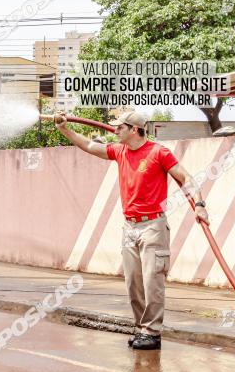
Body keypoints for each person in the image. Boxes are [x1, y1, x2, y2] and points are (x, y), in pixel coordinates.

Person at [54, 110, 209, 350]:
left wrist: (199, 205)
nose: (115, 130)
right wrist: (65, 129)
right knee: (133, 284)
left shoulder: (159, 153)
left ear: (134, 130)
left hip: (153, 226)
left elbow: (186, 178)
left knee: (152, 282)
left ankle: (152, 331)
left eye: (119, 127)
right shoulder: (120, 151)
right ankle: (141, 328)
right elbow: (88, 146)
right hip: (130, 226)